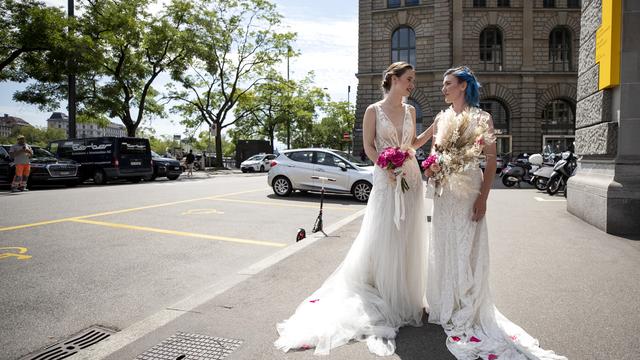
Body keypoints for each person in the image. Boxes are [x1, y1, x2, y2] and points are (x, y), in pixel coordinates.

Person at [274, 62, 434, 356]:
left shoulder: (411, 111)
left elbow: (413, 143)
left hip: (411, 177)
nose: (413, 84)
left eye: (413, 79)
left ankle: (408, 295)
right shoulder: (373, 110)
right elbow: (369, 148)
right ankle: (386, 292)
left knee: (409, 233)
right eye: (409, 79)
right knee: (386, 232)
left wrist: (434, 129)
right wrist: (384, 167)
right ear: (394, 79)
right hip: (386, 178)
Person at [424, 66, 566, 360]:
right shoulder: (441, 117)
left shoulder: (483, 118)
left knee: (466, 247)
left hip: (468, 191)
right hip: (444, 194)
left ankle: (465, 304)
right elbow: (435, 153)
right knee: (444, 243)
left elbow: (490, 162)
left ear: (463, 86)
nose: (443, 88)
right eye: (443, 84)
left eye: (448, 84)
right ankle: (446, 301)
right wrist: (433, 168)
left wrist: (483, 199)